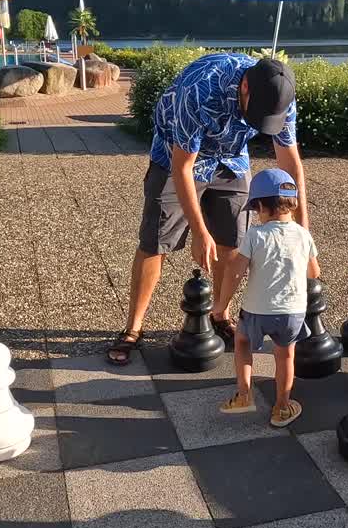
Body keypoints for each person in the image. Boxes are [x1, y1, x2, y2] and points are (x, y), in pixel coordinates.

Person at [106, 53, 312, 365]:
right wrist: (200, 231)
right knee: (155, 243)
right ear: (245, 87)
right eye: (254, 112)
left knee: (233, 240)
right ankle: (133, 328)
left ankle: (220, 313)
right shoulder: (200, 90)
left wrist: (302, 234)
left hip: (231, 158)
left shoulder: (281, 98)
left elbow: (290, 164)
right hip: (176, 157)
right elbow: (183, 166)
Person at [217, 168, 319, 426]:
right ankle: (282, 407)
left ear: (260, 206)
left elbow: (235, 272)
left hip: (256, 309)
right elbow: (314, 272)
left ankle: (244, 395)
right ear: (292, 204)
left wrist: (222, 305)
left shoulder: (256, 235)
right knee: (285, 355)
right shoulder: (303, 234)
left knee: (241, 342)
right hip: (292, 311)